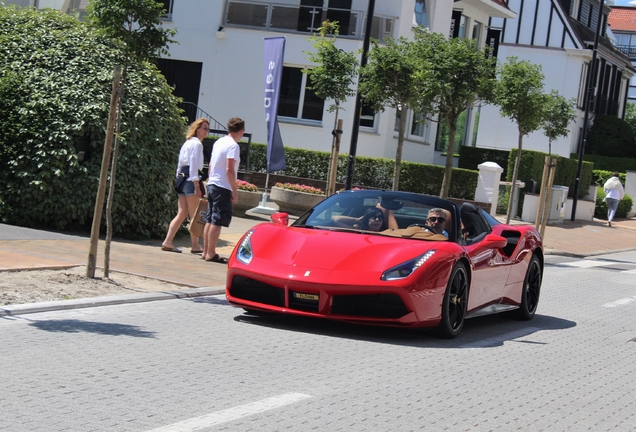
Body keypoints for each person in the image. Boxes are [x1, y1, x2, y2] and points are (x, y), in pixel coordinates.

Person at [162, 118, 207, 253]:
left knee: (182, 213)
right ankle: (194, 245)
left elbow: (180, 163)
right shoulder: (197, 144)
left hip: (182, 178)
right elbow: (193, 163)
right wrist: (196, 183)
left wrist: (178, 177)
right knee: (194, 214)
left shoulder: (187, 143)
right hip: (190, 179)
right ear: (198, 129)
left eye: (207, 129)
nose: (206, 131)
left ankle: (168, 240)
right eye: (205, 128)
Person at [202, 117, 244, 263]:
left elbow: (212, 162)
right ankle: (211, 253)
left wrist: (210, 179)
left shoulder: (219, 142)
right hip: (223, 186)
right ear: (241, 131)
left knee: (210, 218)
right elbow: (229, 169)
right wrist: (234, 190)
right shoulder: (233, 145)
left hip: (213, 183)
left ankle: (206, 251)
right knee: (217, 220)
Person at [333, 205, 398, 231]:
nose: (377, 220)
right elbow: (336, 220)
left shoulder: (386, 233)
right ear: (367, 219)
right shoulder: (358, 231)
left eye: (380, 218)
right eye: (373, 217)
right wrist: (357, 220)